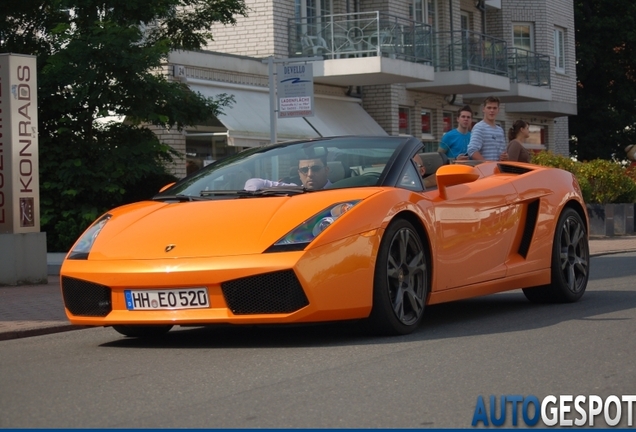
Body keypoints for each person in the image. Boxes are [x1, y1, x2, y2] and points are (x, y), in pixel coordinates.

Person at [244, 155, 331, 191]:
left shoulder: (340, 191)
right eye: (304, 170)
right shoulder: (295, 190)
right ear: (299, 174)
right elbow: (256, 182)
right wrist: (248, 195)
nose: (310, 174)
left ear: (326, 170)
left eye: (315, 169)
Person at [467, 96, 508, 161]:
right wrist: (486, 164)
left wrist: (505, 156)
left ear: (498, 110)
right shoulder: (479, 127)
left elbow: (503, 152)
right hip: (484, 170)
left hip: (498, 169)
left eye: (494, 108)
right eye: (489, 108)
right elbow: (472, 150)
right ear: (484, 109)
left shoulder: (500, 130)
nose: (492, 110)